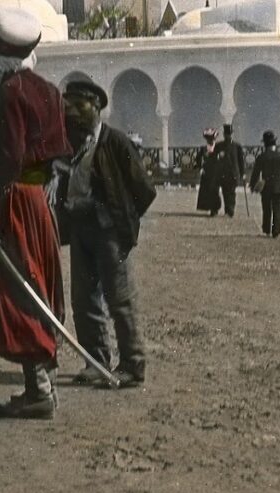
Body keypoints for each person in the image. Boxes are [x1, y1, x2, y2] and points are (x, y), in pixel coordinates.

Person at [0, 8, 72, 419]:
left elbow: (6, 158)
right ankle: (41, 382)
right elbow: (58, 153)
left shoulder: (9, 92)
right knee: (40, 281)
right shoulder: (49, 90)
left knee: (21, 287)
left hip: (14, 199)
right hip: (38, 201)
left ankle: (39, 389)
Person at [58, 80, 156, 389]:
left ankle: (132, 363)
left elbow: (144, 190)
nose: (72, 112)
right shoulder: (73, 143)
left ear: (97, 107)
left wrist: (118, 216)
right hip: (80, 230)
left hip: (109, 233)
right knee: (83, 299)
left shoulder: (116, 143)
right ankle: (96, 361)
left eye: (79, 105)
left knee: (119, 299)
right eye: (68, 105)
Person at [250, 131, 280, 238]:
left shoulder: (261, 157)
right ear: (275, 143)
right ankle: (276, 231)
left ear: (265, 144)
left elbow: (255, 173)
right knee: (277, 210)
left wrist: (252, 186)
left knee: (266, 209)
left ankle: (266, 229)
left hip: (266, 187)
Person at [213, 123, 245, 216]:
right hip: (222, 173)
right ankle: (225, 208)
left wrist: (242, 173)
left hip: (233, 173)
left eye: (229, 134)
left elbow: (241, 161)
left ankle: (230, 209)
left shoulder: (237, 146)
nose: (228, 136)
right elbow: (215, 159)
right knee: (224, 191)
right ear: (224, 134)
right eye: (227, 134)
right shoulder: (219, 146)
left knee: (231, 192)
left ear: (232, 134)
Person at [196, 128, 222, 216]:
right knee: (207, 190)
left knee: (214, 190)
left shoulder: (218, 148)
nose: (210, 140)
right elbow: (198, 159)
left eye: (212, 138)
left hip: (216, 171)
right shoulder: (203, 149)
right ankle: (209, 207)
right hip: (206, 171)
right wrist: (200, 168)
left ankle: (215, 209)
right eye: (208, 139)